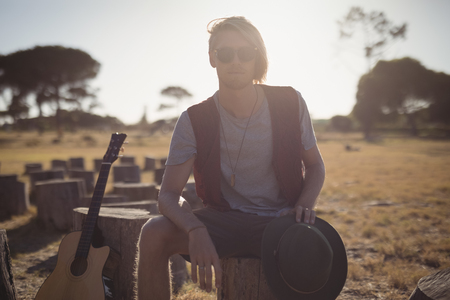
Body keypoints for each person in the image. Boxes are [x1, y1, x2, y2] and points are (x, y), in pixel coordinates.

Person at [135, 16, 325, 299]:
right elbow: (168, 195)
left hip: (280, 221)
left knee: (323, 255)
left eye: (245, 53)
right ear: (212, 58)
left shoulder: (290, 102)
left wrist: (303, 206)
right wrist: (195, 228)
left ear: (256, 57)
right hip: (222, 221)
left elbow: (315, 166)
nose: (236, 61)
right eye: (225, 53)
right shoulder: (194, 119)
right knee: (153, 233)